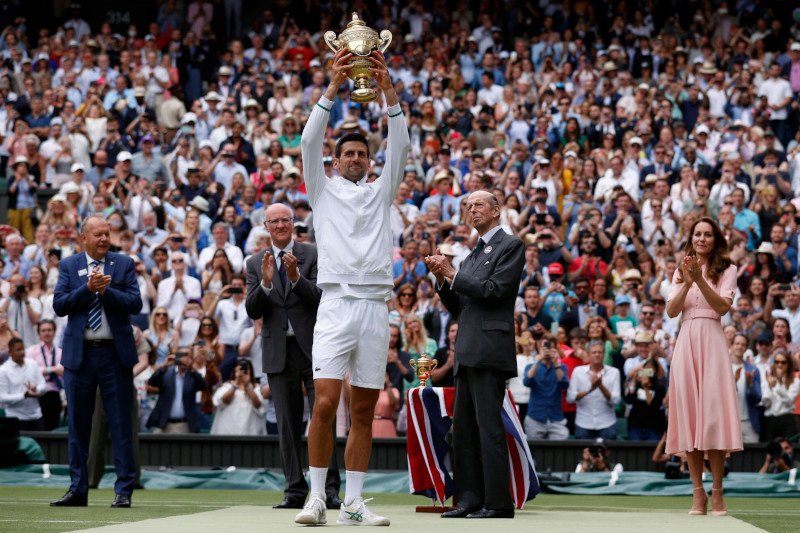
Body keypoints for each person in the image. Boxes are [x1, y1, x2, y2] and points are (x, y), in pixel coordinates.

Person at [294, 49, 409, 527]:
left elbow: (400, 144)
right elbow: (307, 140)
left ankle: (354, 503)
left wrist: (386, 88)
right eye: (349, 154)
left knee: (363, 408)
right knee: (324, 402)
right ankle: (316, 497)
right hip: (337, 304)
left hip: (375, 307)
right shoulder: (321, 188)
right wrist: (333, 85)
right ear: (336, 161)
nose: (357, 158)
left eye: (363, 153)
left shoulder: (384, 190)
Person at [425, 189, 525, 519]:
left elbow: (494, 292)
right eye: (468, 206)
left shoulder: (510, 246)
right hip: (467, 349)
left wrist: (454, 274)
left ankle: (497, 503)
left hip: (489, 350)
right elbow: (460, 306)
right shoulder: (471, 255)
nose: (472, 210)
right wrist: (442, 280)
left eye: (479, 204)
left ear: (496, 211)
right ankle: (469, 498)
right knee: (463, 430)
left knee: (488, 429)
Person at [244, 202, 341, 510]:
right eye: (275, 221)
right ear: (266, 226)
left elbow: (322, 298)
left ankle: (329, 490)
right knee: (287, 426)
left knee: (323, 420)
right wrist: (266, 282)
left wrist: (296, 277)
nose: (281, 225)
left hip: (315, 349)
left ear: (293, 222)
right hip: (278, 353)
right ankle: (294, 491)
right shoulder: (255, 262)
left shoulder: (311, 254)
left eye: (286, 219)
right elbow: (252, 309)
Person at [51, 215, 142, 508]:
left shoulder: (124, 264)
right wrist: (87, 289)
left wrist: (106, 291)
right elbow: (60, 305)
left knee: (120, 425)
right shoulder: (68, 265)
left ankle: (123, 490)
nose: (104, 239)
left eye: (107, 233)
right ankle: (78, 489)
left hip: (115, 355)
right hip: (80, 357)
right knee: (77, 426)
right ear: (83, 238)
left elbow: (135, 304)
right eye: (98, 234)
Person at [665, 217, 740, 516]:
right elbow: (671, 311)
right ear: (691, 238)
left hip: (713, 340)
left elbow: (722, 307)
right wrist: (687, 279)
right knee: (690, 418)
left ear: (716, 238)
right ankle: (698, 494)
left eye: (708, 234)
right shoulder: (680, 269)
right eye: (697, 234)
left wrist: (698, 279)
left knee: (713, 417)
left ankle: (718, 491)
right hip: (686, 341)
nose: (702, 239)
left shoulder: (727, 269)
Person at [567, 339, 621, 440]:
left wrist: (600, 386)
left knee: (608, 455)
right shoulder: (578, 371)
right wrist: (589, 390)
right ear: (588, 354)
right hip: (583, 423)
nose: (597, 355)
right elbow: (570, 398)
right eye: (594, 352)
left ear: (604, 354)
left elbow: (616, 400)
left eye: (600, 352)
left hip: (607, 423)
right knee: (583, 455)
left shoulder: (614, 372)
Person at [145, 347, 207, 433]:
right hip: (163, 423)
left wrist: (192, 369)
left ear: (191, 359)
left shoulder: (193, 376)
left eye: (187, 356)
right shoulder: (166, 373)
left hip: (183, 424)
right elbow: (152, 382)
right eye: (181, 356)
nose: (184, 359)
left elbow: (203, 386)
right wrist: (163, 367)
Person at [210, 358, 266, 436]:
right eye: (240, 368)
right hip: (226, 435)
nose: (242, 371)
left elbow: (259, 406)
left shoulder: (257, 389)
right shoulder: (226, 386)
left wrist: (248, 386)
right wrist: (235, 384)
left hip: (250, 436)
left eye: (246, 368)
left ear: (251, 371)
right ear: (235, 370)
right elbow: (222, 401)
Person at [0, 337, 47, 430]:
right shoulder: (3, 370)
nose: (22, 352)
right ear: (10, 352)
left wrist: (36, 389)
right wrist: (24, 395)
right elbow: (2, 397)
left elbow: (43, 385)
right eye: (18, 350)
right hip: (16, 418)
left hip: (37, 416)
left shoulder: (33, 364)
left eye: (23, 349)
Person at [25, 319, 64, 430]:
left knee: (54, 426)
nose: (47, 333)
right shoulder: (32, 351)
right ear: (39, 333)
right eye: (43, 331)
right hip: (37, 393)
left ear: (54, 332)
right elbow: (31, 370)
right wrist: (52, 369)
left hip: (55, 393)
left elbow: (62, 370)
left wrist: (44, 370)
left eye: (49, 330)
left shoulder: (60, 352)